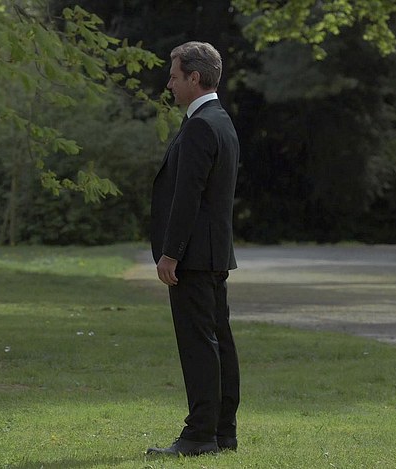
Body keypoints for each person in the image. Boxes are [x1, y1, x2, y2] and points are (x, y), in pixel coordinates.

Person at [146, 41, 241, 457]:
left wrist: (171, 253)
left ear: (194, 77)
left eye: (174, 76)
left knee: (199, 344)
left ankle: (199, 434)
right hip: (212, 253)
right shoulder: (221, 121)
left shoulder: (201, 125)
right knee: (219, 340)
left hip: (194, 257)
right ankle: (222, 432)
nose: (169, 84)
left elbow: (189, 196)